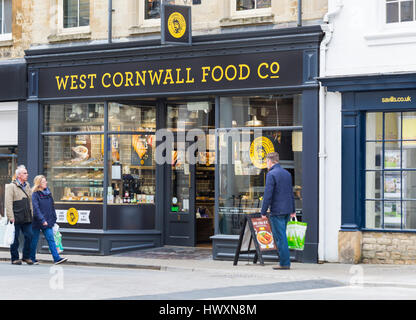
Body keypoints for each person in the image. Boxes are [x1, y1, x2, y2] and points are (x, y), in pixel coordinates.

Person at [260, 152, 296, 270]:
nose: (266, 165)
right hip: (287, 210)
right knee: (282, 236)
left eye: (266, 162)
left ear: (271, 161)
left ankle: (285, 263)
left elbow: (268, 195)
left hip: (277, 211)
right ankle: (284, 261)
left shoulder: (271, 174)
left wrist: (263, 212)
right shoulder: (287, 174)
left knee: (281, 238)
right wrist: (293, 210)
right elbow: (291, 193)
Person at [30, 175, 67, 265]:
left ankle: (56, 258)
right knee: (34, 240)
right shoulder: (35, 194)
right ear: (39, 184)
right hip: (38, 221)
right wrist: (42, 220)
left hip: (48, 221)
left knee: (51, 239)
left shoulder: (48, 193)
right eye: (43, 182)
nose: (46, 183)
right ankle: (32, 258)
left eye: (45, 181)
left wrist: (54, 219)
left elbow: (51, 206)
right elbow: (36, 209)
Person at [5, 165, 34, 265]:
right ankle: (15, 258)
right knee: (15, 238)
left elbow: (30, 200)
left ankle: (26, 257)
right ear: (19, 175)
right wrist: (11, 217)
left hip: (26, 216)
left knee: (30, 235)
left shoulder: (27, 185)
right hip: (16, 216)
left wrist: (32, 213)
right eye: (25, 173)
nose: (27, 175)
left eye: (26, 173)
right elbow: (8, 202)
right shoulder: (11, 186)